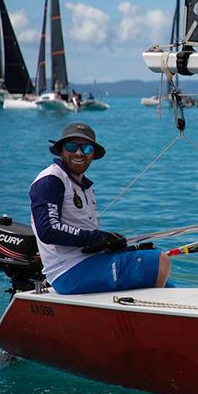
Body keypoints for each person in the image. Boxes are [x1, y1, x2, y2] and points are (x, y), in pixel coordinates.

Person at [29, 122, 171, 294]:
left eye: (87, 149)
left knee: (169, 285)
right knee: (159, 262)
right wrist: (99, 237)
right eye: (72, 146)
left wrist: (111, 244)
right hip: (68, 271)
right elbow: (48, 230)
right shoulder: (51, 180)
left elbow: (83, 233)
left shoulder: (84, 186)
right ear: (61, 150)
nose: (79, 153)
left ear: (93, 154)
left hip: (90, 262)